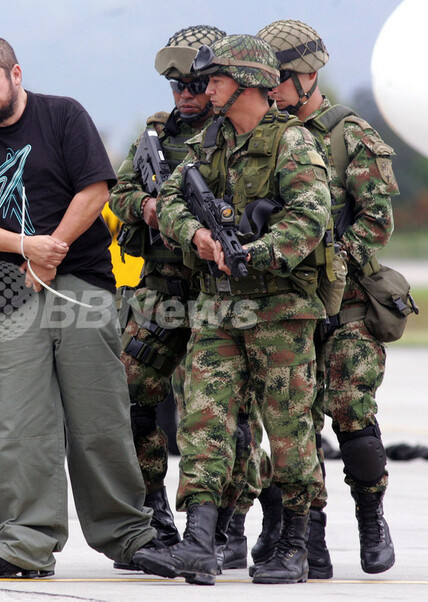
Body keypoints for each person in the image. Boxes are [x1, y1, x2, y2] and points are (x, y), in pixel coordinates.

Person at [0, 36, 157, 578]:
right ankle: (22, 545)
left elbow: (95, 191)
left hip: (82, 280)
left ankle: (128, 536)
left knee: (100, 418)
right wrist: (26, 247)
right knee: (20, 423)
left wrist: (52, 253)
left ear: (15, 74)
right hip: (8, 287)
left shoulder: (63, 116)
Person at [133, 34, 330, 585]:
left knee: (288, 428)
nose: (206, 88)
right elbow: (172, 198)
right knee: (203, 423)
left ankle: (294, 543)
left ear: (247, 83)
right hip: (218, 311)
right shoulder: (211, 140)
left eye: (216, 79)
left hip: (280, 312)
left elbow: (310, 217)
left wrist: (254, 253)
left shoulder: (292, 142)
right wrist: (198, 236)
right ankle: (198, 541)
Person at [258, 19, 399, 577]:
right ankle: (308, 537)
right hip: (285, 304)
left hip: (349, 303)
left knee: (350, 410)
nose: (269, 90)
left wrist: (332, 261)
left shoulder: (348, 135)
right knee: (290, 424)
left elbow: (377, 219)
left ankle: (370, 516)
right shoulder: (260, 136)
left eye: (277, 78)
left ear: (308, 75)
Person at [108, 24, 226, 570]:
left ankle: (228, 525)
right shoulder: (156, 135)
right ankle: (153, 512)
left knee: (219, 412)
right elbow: (121, 191)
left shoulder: (239, 135)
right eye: (176, 85)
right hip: (159, 290)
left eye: (195, 85)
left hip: (219, 292)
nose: (185, 95)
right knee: (131, 398)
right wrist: (147, 208)